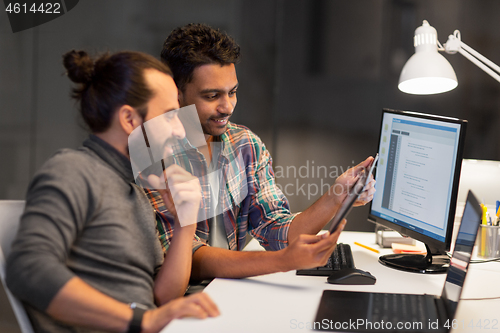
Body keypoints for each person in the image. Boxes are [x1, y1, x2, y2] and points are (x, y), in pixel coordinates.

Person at [6, 50, 219, 333]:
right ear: (130, 120)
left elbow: (161, 297)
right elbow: (28, 269)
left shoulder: (134, 189)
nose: (181, 130)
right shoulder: (73, 170)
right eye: (169, 116)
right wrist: (142, 320)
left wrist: (185, 223)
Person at [147, 23, 376, 281]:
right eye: (212, 96)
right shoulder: (153, 153)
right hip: (183, 302)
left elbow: (277, 230)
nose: (227, 107)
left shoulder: (245, 144)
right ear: (176, 93)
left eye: (232, 92)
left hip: (229, 290)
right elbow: (189, 258)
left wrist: (336, 197)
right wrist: (280, 261)